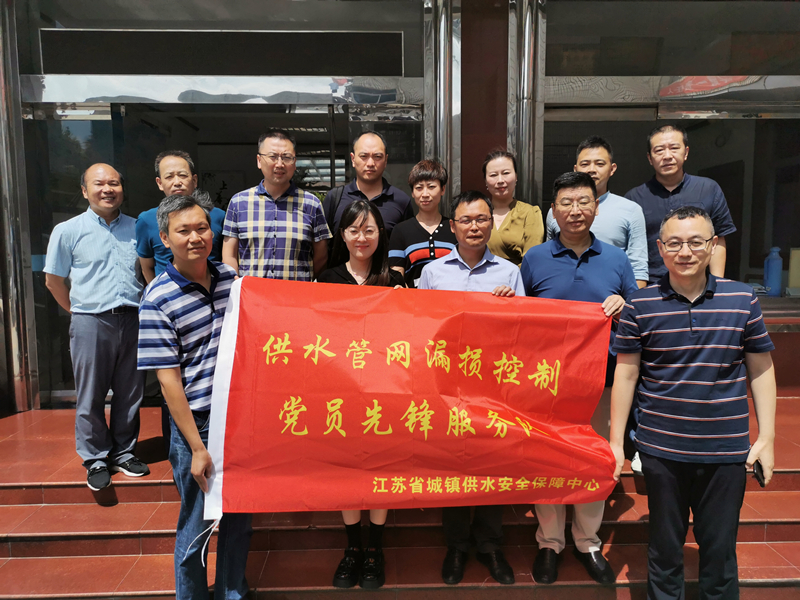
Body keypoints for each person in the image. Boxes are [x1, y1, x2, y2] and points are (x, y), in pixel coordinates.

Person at [609, 206, 776, 600]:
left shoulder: (742, 299)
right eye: (674, 243)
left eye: (696, 242)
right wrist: (616, 443)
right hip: (661, 449)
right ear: (660, 248)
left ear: (712, 245)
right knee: (664, 551)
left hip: (725, 450)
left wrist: (767, 438)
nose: (685, 252)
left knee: (720, 553)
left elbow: (761, 369)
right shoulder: (639, 304)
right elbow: (626, 375)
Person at [521, 171, 638, 585]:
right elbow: (519, 320)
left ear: (596, 207)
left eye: (584, 202)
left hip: (601, 382)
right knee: (547, 460)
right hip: (546, 384)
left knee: (594, 460)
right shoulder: (534, 258)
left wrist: (623, 305)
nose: (575, 210)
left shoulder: (616, 259)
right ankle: (549, 542)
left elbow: (638, 317)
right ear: (553, 211)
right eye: (566, 203)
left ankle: (587, 541)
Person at [137, 194, 253, 600]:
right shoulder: (157, 298)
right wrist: (197, 448)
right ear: (164, 238)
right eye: (183, 230)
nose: (195, 238)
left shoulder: (231, 281)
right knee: (197, 523)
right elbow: (168, 383)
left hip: (238, 416)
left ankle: (232, 592)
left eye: (201, 228)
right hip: (197, 422)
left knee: (240, 518)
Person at [418, 190, 524, 586]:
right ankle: (457, 545)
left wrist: (510, 305)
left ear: (491, 224)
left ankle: (490, 544)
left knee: (492, 463)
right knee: (454, 464)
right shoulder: (433, 273)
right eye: (466, 220)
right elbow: (420, 328)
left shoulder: (510, 273)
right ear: (453, 226)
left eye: (481, 219)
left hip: (494, 385)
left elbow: (524, 331)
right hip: (447, 386)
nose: (474, 227)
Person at [44, 163, 148, 491]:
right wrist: (77, 311)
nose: (107, 189)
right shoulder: (68, 230)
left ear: (122, 189)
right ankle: (95, 458)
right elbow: (53, 281)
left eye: (114, 183)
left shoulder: (138, 227)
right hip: (91, 320)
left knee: (131, 391)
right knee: (91, 394)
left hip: (133, 319)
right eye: (99, 184)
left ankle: (124, 452)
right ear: (84, 190)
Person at [317, 200, 403, 590]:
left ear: (380, 234)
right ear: (342, 235)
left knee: (381, 468)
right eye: (354, 230)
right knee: (347, 469)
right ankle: (353, 547)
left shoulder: (394, 280)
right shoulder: (327, 279)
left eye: (369, 230)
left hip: (385, 394)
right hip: (341, 394)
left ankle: (375, 549)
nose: (361, 238)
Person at [625, 124, 736, 283]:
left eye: (674, 148)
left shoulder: (708, 189)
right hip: (651, 285)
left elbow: (719, 238)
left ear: (686, 152)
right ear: (650, 158)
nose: (667, 156)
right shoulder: (634, 198)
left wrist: (717, 284)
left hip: (699, 285)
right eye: (659, 150)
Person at [221, 129, 331, 280]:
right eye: (272, 157)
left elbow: (321, 256)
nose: (279, 164)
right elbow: (229, 255)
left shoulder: (311, 204)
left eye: (286, 157)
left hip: (295, 293)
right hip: (253, 293)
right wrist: (237, 285)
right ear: (259, 160)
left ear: (294, 162)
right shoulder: (239, 203)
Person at [545, 136, 648, 287]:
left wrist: (626, 299)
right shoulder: (557, 211)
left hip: (611, 296)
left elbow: (638, 270)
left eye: (600, 164)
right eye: (585, 164)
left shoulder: (631, 210)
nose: (591, 170)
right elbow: (548, 258)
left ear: (612, 169)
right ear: (575, 169)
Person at [136, 150, 226, 284]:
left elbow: (227, 257)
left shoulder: (219, 216)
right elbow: (146, 266)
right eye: (169, 177)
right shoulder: (146, 220)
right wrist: (159, 291)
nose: (177, 182)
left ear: (194, 180)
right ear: (159, 183)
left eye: (183, 175)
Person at [322, 130, 413, 239]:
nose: (370, 163)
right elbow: (323, 245)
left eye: (377, 156)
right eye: (364, 156)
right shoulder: (335, 198)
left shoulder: (401, 201)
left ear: (386, 160)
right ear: (353, 159)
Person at [388, 159, 457, 288]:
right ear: (412, 193)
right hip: (412, 298)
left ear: (442, 189)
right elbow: (396, 273)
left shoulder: (454, 228)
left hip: (451, 298)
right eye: (419, 188)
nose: (425, 194)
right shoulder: (401, 230)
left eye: (431, 187)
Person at [482, 150, 544, 266]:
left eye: (506, 173)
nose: (500, 180)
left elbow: (532, 259)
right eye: (493, 175)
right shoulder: (478, 213)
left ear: (516, 177)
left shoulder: (530, 213)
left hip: (520, 276)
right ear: (485, 181)